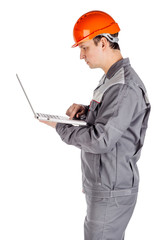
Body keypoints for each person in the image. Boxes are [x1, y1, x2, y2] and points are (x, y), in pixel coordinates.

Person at [39, 10, 151, 240]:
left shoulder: (123, 86)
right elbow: (111, 122)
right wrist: (87, 113)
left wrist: (59, 126)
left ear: (103, 42)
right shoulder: (111, 79)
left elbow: (101, 139)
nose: (81, 55)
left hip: (110, 189)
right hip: (105, 185)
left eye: (84, 47)